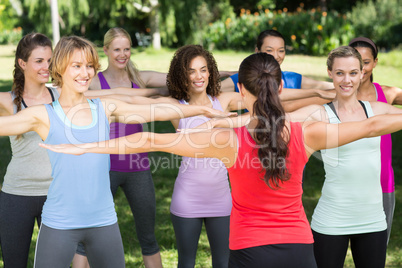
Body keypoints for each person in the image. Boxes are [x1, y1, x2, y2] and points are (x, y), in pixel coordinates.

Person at [41, 52, 402, 267]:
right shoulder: (306, 131)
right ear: (279, 88)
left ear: (240, 91)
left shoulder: (226, 140)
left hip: (249, 251)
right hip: (299, 249)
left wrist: (84, 147)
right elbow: (374, 125)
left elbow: (151, 139)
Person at [0, 35, 232, 268]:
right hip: (60, 223)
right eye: (77, 66)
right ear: (60, 68)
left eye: (90, 66)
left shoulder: (104, 108)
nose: (85, 73)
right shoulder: (42, 114)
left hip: (103, 222)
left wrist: (201, 110)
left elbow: (154, 111)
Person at [0, 32, 86, 268]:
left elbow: (110, 96)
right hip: (17, 195)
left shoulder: (62, 95)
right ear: (22, 63)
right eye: (39, 61)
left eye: (49, 60)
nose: (46, 66)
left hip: (58, 194)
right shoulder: (8, 101)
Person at [88, 27, 166, 268]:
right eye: (117, 49)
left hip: (137, 167)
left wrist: (236, 76)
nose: (122, 54)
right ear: (106, 50)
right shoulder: (92, 82)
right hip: (105, 167)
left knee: (148, 237)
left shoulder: (139, 78)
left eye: (127, 49)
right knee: (88, 235)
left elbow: (184, 78)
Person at [349, 37, 402, 244]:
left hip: (381, 185)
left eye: (367, 62)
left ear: (375, 63)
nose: (361, 68)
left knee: (374, 255)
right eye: (355, 61)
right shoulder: (332, 95)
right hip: (345, 185)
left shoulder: (387, 94)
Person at [220, 29, 334, 92]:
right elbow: (209, 91)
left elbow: (322, 85)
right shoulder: (241, 78)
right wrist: (226, 73)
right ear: (257, 51)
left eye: (281, 50)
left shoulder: (292, 79)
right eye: (269, 50)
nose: (276, 56)